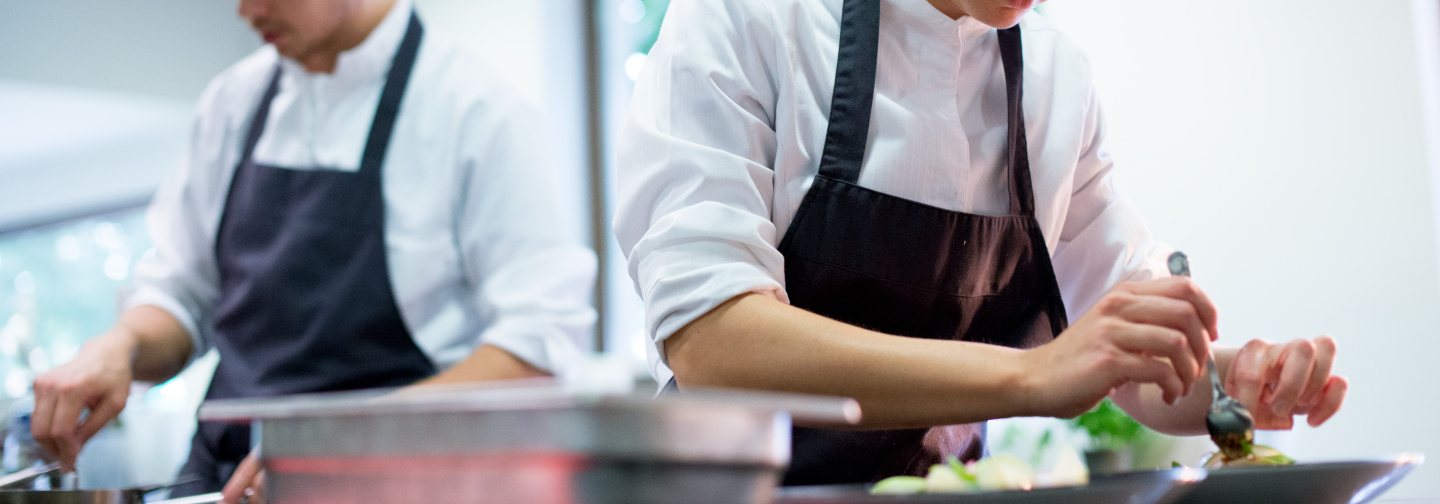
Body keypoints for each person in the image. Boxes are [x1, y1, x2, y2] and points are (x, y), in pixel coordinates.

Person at [614, 0, 1347, 486]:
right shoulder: (748, 18)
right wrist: (1032, 377)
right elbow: (714, 343)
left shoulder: (1055, 76)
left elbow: (1132, 358)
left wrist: (1236, 377)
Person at [30, 0, 596, 499]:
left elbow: (537, 347)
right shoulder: (232, 104)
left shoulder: (478, 111)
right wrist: (121, 346)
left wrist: (332, 449)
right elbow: (183, 294)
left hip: (397, 485)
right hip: (224, 480)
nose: (245, 11)